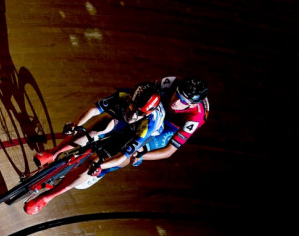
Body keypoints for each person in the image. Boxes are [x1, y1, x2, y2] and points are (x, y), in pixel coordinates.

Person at [24, 81, 165, 215]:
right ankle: (52, 154)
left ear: (147, 113)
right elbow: (94, 109)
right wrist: (75, 125)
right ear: (130, 98)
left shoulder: (148, 124)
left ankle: (46, 198)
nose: (133, 115)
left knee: (93, 162)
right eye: (132, 107)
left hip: (135, 135)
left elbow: (122, 156)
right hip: (122, 122)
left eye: (139, 112)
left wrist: (100, 164)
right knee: (99, 125)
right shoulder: (124, 96)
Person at [130, 76, 209, 167]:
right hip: (161, 108)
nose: (176, 101)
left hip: (173, 126)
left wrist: (141, 156)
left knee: (135, 150)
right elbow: (141, 89)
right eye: (177, 94)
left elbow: (168, 151)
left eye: (183, 101)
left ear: (192, 105)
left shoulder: (196, 118)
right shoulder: (173, 82)